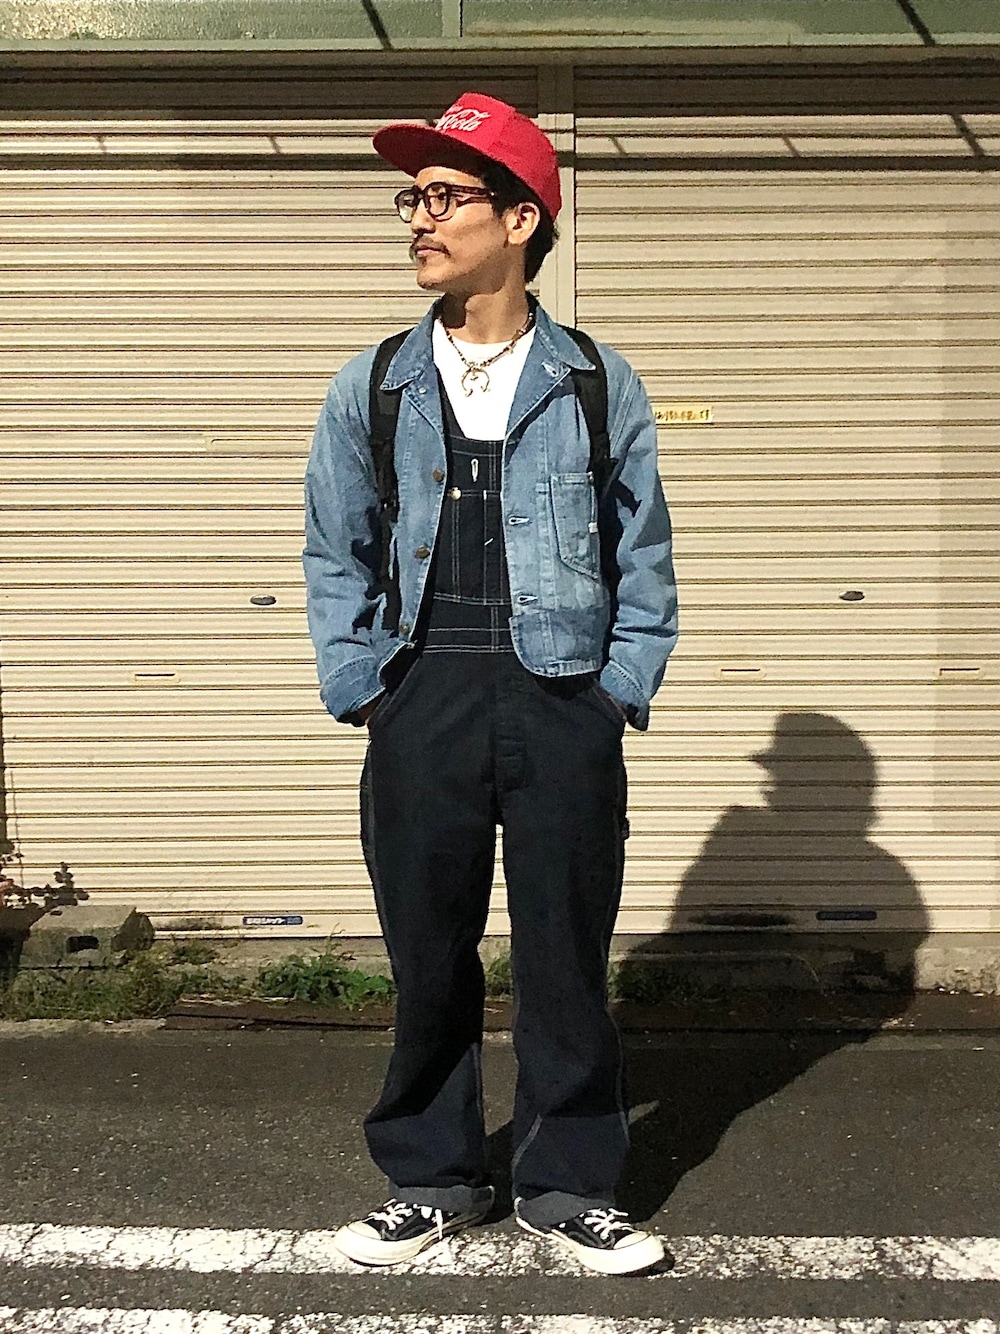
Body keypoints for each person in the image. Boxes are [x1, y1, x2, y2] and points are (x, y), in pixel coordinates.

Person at [302, 92, 678, 1275]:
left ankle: (568, 1185)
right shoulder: (373, 383)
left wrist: (617, 689)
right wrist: (364, 683)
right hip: (424, 690)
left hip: (563, 695)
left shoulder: (595, 381)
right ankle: (433, 1176)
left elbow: (645, 553)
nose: (420, 218)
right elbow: (334, 549)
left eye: (445, 196)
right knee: (428, 950)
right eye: (411, 197)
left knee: (565, 953)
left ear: (520, 220)